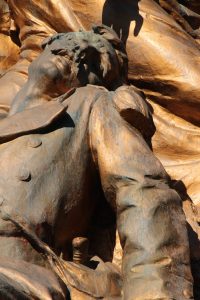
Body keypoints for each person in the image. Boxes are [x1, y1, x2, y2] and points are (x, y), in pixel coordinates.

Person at [0, 25, 193, 299]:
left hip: (20, 273)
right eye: (67, 44)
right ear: (42, 49)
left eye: (94, 64)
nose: (78, 55)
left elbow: (144, 196)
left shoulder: (91, 104)